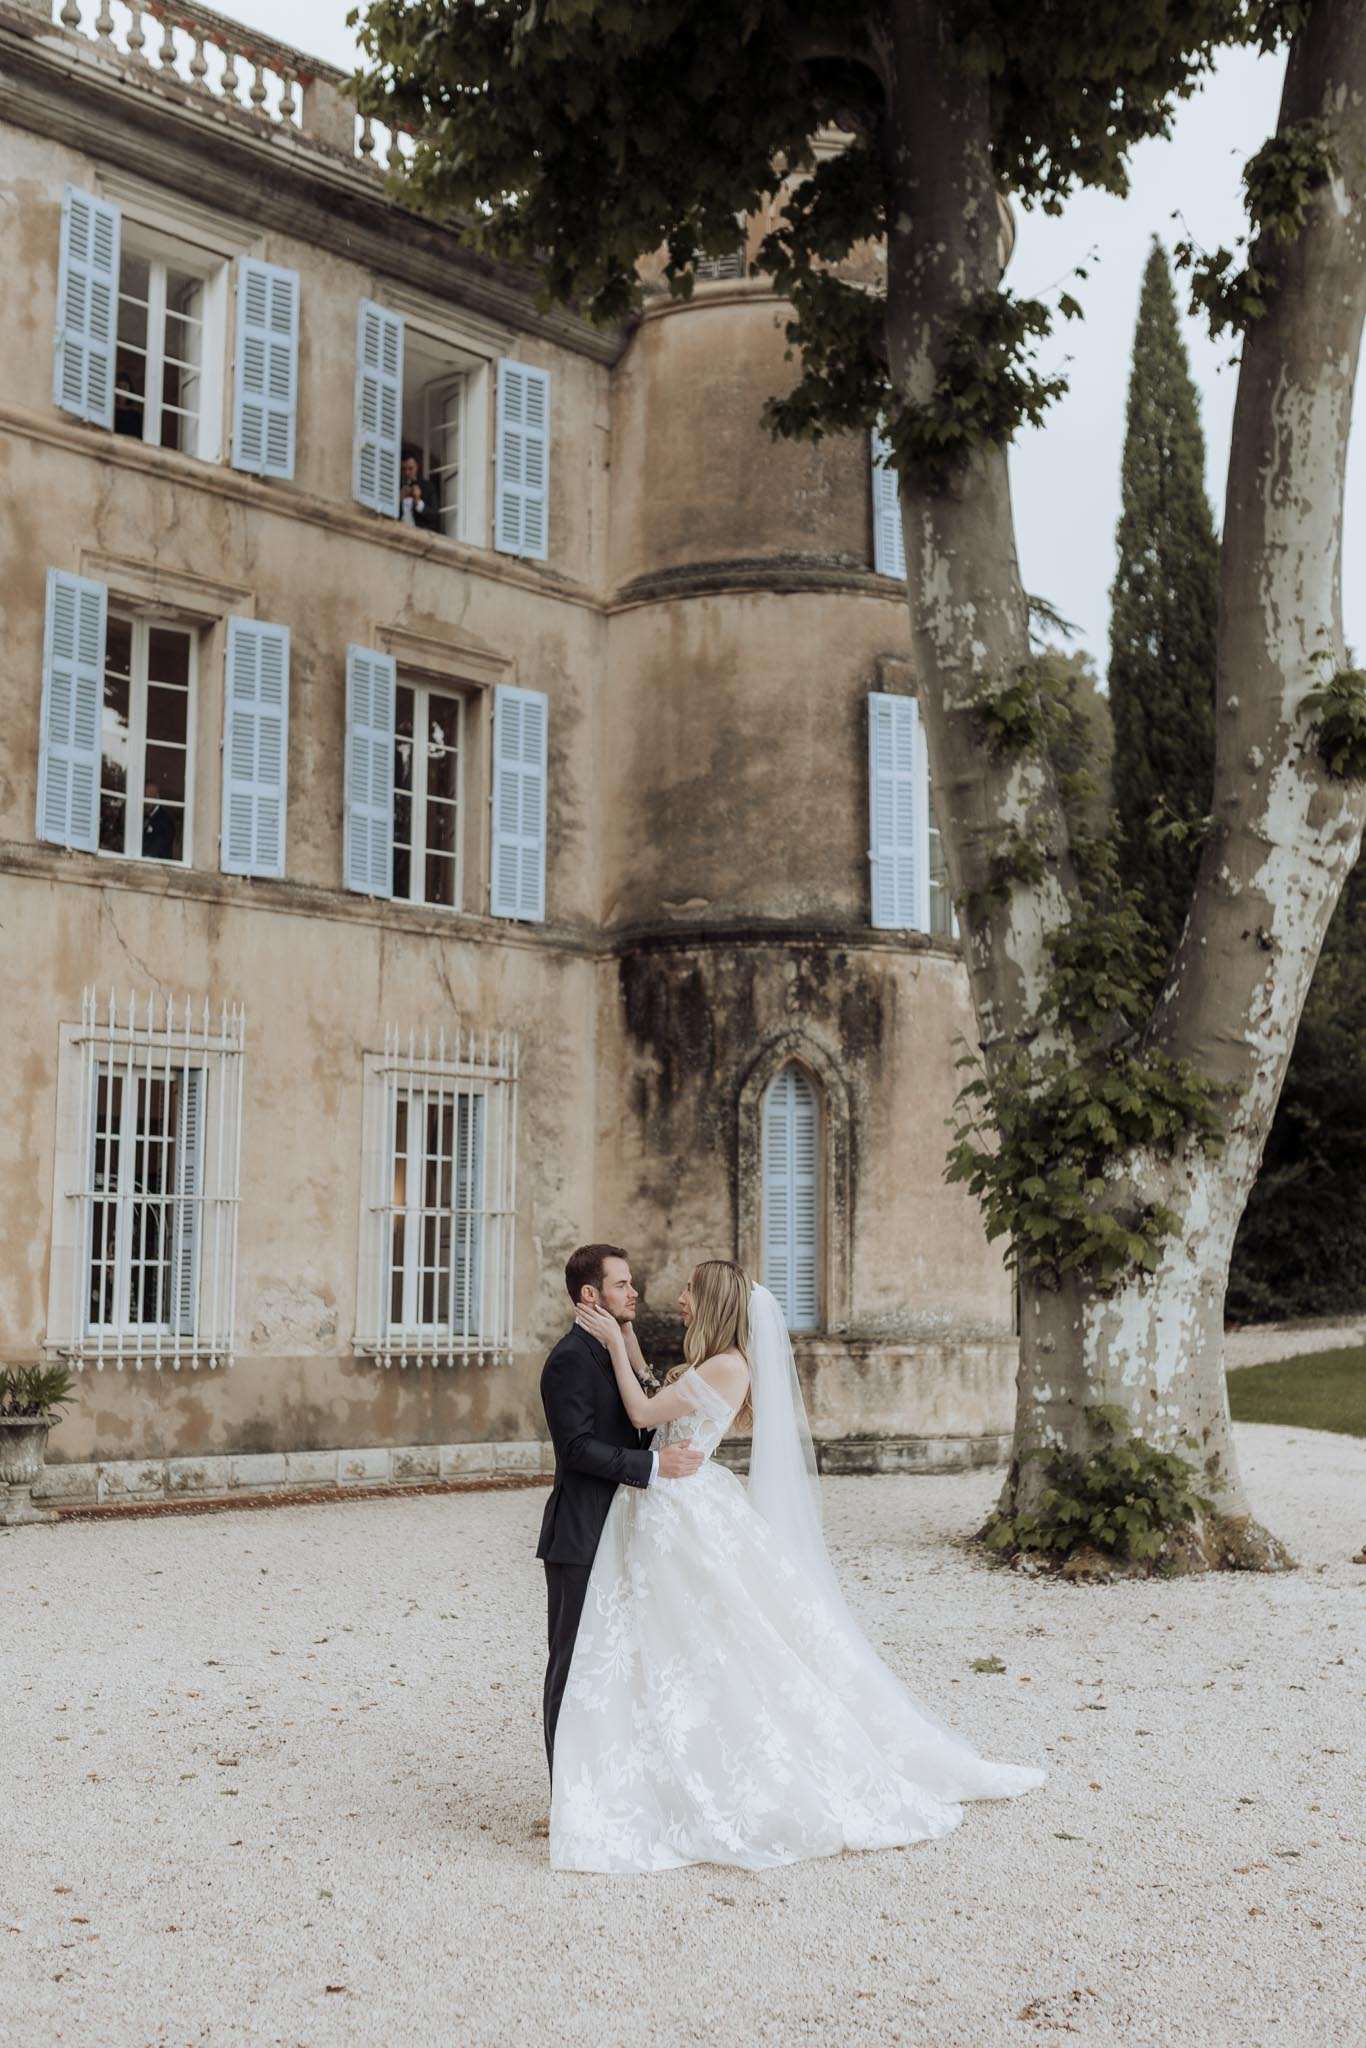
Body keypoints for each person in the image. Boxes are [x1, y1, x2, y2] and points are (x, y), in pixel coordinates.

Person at [549, 1260, 1045, 1873]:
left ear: (716, 1303)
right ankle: (644, 1771)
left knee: (720, 1644)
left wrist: (615, 1348)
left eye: (690, 1291)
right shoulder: (711, 1362)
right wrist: (623, 1342)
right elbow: (656, 1402)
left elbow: (647, 1415)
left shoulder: (729, 1364)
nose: (676, 1298)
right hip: (663, 1509)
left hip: (682, 1507)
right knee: (663, 1647)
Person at [536, 1244, 704, 1778]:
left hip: (626, 1531)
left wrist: (629, 1352)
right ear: (591, 1294)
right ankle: (566, 1793)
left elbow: (642, 1413)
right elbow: (577, 1448)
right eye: (623, 1285)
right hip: (580, 1534)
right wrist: (654, 1466)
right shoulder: (567, 1360)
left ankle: (612, 1785)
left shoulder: (610, 1350)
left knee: (622, 1664)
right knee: (572, 1663)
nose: (635, 1294)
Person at [398, 452, 441, 531]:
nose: (407, 473)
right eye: (403, 469)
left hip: (420, 534)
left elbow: (434, 516)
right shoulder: (395, 488)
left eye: (410, 469)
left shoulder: (428, 487)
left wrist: (418, 501)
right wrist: (399, 499)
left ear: (417, 467)